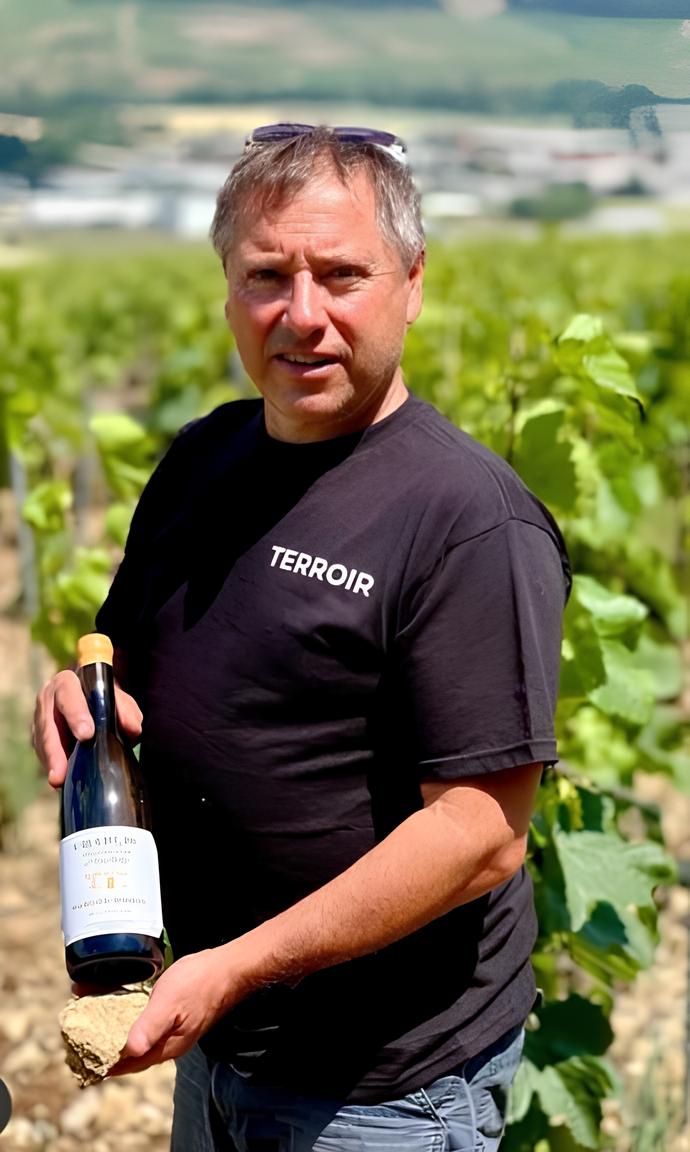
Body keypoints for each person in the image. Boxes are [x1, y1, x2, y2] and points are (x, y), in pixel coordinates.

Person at [33, 124, 571, 1152]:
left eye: (342, 275)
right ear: (228, 293)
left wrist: (239, 965)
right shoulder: (203, 457)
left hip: (380, 1093)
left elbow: (480, 833)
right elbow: (123, 664)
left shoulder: (466, 519)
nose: (304, 314)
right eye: (267, 276)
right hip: (219, 1040)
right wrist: (75, 700)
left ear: (413, 283)